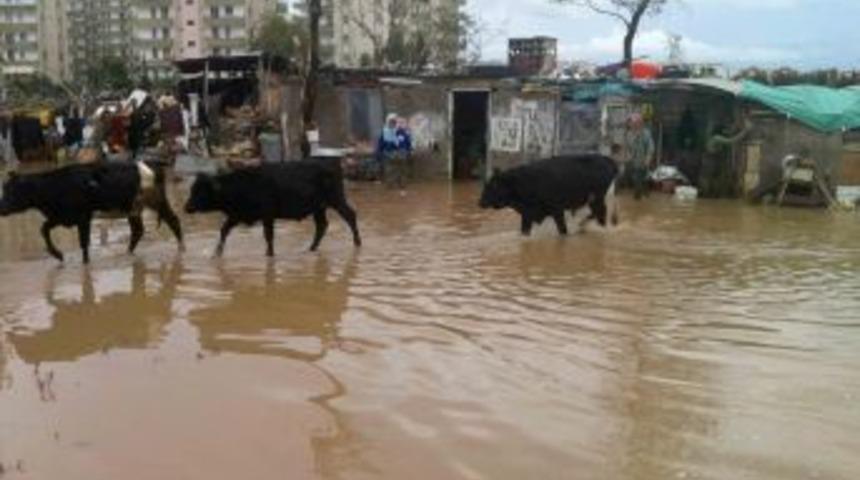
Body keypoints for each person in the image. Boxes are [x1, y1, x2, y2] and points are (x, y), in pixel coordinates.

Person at [376, 113, 412, 191]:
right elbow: (381, 143)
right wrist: (379, 152)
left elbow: (407, 142)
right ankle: (392, 185)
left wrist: (408, 151)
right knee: (391, 170)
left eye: (394, 121)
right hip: (391, 153)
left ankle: (401, 184)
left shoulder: (401, 131)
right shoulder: (386, 132)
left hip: (400, 153)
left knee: (400, 170)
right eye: (391, 121)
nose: (393, 123)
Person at [625, 113, 655, 200]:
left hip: (643, 161)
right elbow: (627, 148)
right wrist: (627, 157)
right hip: (632, 161)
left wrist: (648, 158)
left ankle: (639, 199)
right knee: (636, 180)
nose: (632, 124)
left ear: (640, 123)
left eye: (634, 123)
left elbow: (650, 147)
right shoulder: (629, 134)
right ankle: (643, 196)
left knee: (639, 180)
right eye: (631, 123)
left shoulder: (646, 134)